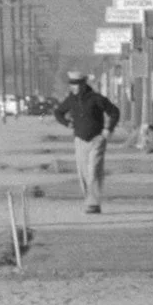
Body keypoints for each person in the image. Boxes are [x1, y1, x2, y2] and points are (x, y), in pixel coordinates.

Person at [52, 70, 119, 213]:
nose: (73, 87)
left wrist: (108, 129)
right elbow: (58, 113)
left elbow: (114, 112)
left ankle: (93, 203)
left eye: (76, 84)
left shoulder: (96, 98)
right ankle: (88, 199)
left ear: (83, 85)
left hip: (97, 139)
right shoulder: (71, 100)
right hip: (80, 140)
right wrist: (66, 123)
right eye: (72, 85)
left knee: (94, 170)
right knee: (83, 172)